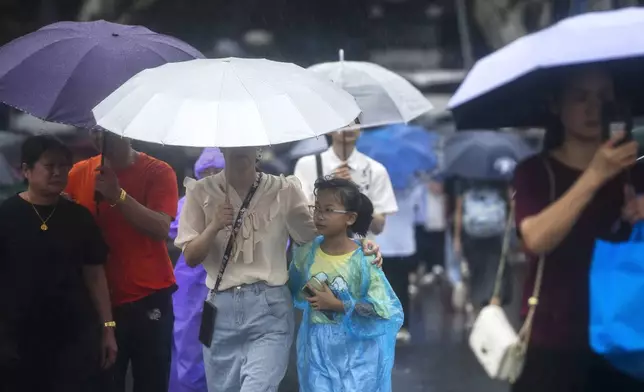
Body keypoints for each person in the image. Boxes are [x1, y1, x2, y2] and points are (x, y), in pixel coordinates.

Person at [175, 147, 382, 392]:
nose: (240, 147)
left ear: (259, 147)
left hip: (269, 309)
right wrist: (214, 225)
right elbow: (190, 257)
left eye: (248, 140)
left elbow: (314, 235)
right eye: (233, 141)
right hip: (220, 310)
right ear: (222, 146)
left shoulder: (283, 190)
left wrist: (358, 244)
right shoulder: (200, 192)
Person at [512, 66, 644, 391]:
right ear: (556, 105)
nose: (593, 108)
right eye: (580, 97)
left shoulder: (636, 170)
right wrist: (596, 174)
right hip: (555, 339)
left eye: (604, 98)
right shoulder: (536, 172)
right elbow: (536, 238)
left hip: (626, 336)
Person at [65, 131, 179, 392]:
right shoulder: (78, 173)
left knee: (151, 383)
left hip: (148, 296)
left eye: (105, 127)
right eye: (93, 127)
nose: (98, 134)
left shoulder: (159, 171)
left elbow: (161, 227)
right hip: (98, 301)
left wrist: (118, 195)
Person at [0, 135, 116, 391]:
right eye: (49, 166)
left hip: (73, 334)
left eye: (64, 166)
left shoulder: (79, 217)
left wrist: (108, 328)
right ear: (26, 170)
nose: (58, 172)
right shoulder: (7, 215)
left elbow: (95, 274)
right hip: (17, 337)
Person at [288, 177, 403, 392]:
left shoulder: (364, 260)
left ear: (350, 218)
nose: (320, 215)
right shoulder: (305, 255)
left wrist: (339, 305)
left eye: (329, 210)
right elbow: (292, 290)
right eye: (317, 208)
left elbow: (385, 309)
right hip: (317, 350)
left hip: (358, 352)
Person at [169, 148, 224, 392]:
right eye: (206, 171)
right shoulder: (186, 202)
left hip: (230, 283)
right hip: (191, 285)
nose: (211, 176)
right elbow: (170, 228)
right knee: (187, 344)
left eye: (217, 171)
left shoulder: (245, 199)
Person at [293, 127, 398, 236]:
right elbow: (300, 217)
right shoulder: (307, 165)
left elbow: (378, 227)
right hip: (316, 248)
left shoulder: (375, 169)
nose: (349, 127)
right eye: (343, 123)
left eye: (355, 121)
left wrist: (355, 197)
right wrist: (331, 190)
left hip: (361, 249)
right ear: (329, 128)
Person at [452, 178, 512, 312]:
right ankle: (494, 312)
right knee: (496, 275)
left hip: (472, 236)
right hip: (496, 234)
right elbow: (510, 201)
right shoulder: (498, 174)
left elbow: (459, 208)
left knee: (476, 276)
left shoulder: (464, 176)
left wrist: (456, 238)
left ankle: (479, 313)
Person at [376, 182, 425, 343]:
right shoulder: (416, 188)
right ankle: (402, 327)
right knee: (402, 287)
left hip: (382, 245)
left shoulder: (376, 189)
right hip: (405, 246)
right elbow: (422, 218)